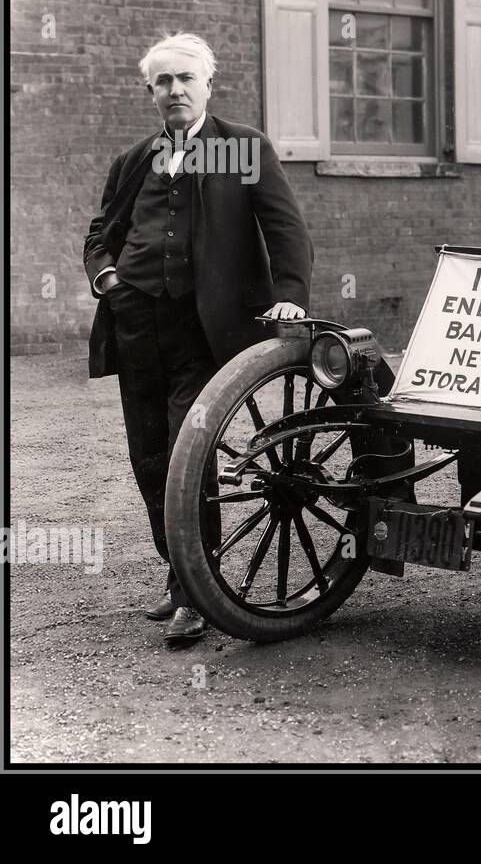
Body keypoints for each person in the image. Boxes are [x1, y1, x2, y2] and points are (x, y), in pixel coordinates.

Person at [84, 32, 313, 646]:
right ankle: (177, 569)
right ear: (150, 91)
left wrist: (288, 293)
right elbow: (101, 231)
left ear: (209, 84)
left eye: (185, 78)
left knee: (191, 456)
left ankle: (195, 593)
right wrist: (106, 276)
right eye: (163, 81)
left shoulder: (240, 148)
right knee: (148, 455)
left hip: (202, 329)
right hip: (136, 322)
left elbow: (285, 227)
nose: (175, 90)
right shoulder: (137, 158)